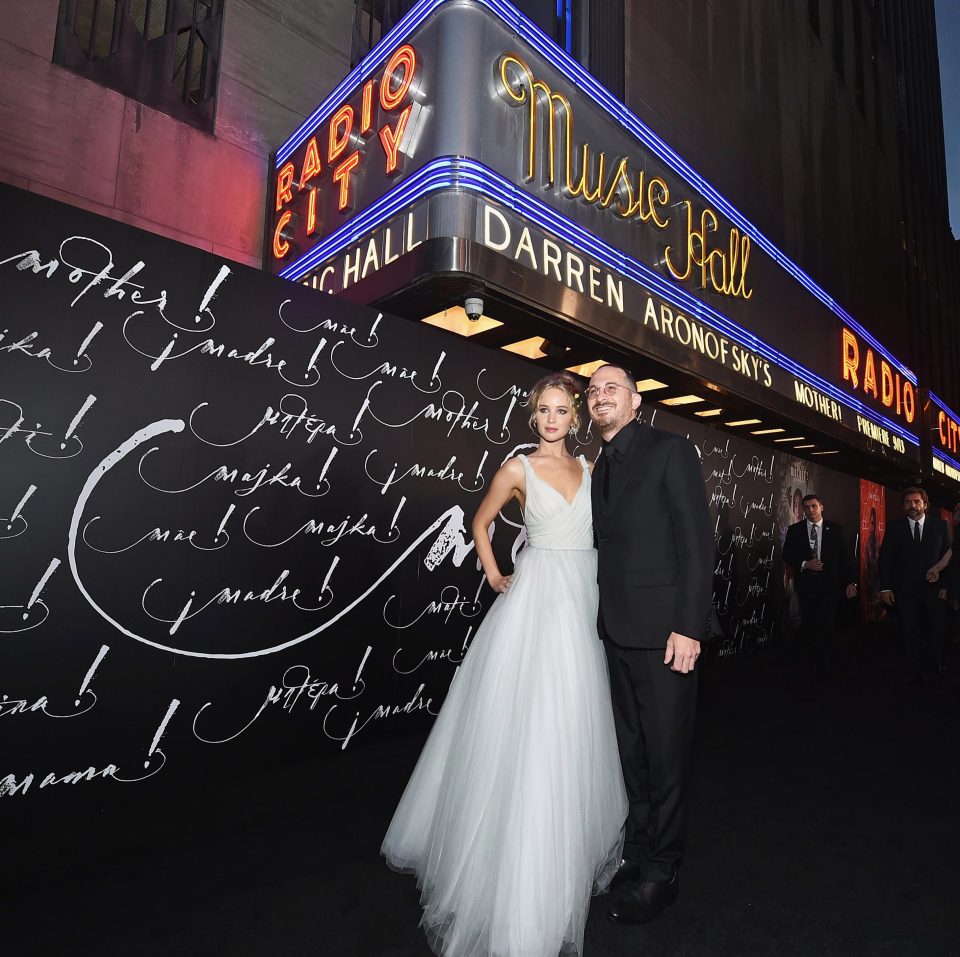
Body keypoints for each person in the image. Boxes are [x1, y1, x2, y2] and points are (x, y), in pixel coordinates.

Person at [381, 372, 627, 957]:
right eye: (543, 409)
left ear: (577, 416)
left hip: (584, 598)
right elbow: (479, 523)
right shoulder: (517, 468)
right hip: (536, 602)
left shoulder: (593, 471)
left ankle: (565, 846)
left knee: (575, 721)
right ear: (533, 415)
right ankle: (519, 868)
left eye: (562, 410)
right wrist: (495, 574)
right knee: (530, 721)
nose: (552, 418)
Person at [585, 364, 714, 925]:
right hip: (616, 633)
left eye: (611, 388)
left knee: (666, 757)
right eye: (592, 391)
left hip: (666, 638)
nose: (599, 396)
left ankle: (663, 872)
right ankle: (637, 854)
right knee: (632, 757)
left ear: (636, 401)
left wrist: (688, 626)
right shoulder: (598, 470)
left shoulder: (671, 450)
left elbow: (697, 542)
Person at [878, 486, 951, 684]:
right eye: (908, 502)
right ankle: (915, 669)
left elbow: (950, 558)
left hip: (934, 590)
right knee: (910, 630)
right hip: (905, 591)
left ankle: (936, 663)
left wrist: (946, 586)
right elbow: (885, 559)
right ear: (903, 506)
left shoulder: (941, 526)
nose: (913, 505)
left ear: (925, 505)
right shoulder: (894, 528)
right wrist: (885, 588)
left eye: (917, 501)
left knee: (938, 628)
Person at [781, 494, 858, 675]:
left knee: (827, 625)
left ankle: (827, 663)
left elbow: (846, 558)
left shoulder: (836, 529)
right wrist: (804, 564)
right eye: (806, 507)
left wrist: (851, 582)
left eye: (814, 506)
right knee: (810, 625)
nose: (810, 510)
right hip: (807, 587)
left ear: (821, 507)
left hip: (830, 587)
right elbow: (787, 555)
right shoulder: (795, 530)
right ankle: (812, 664)